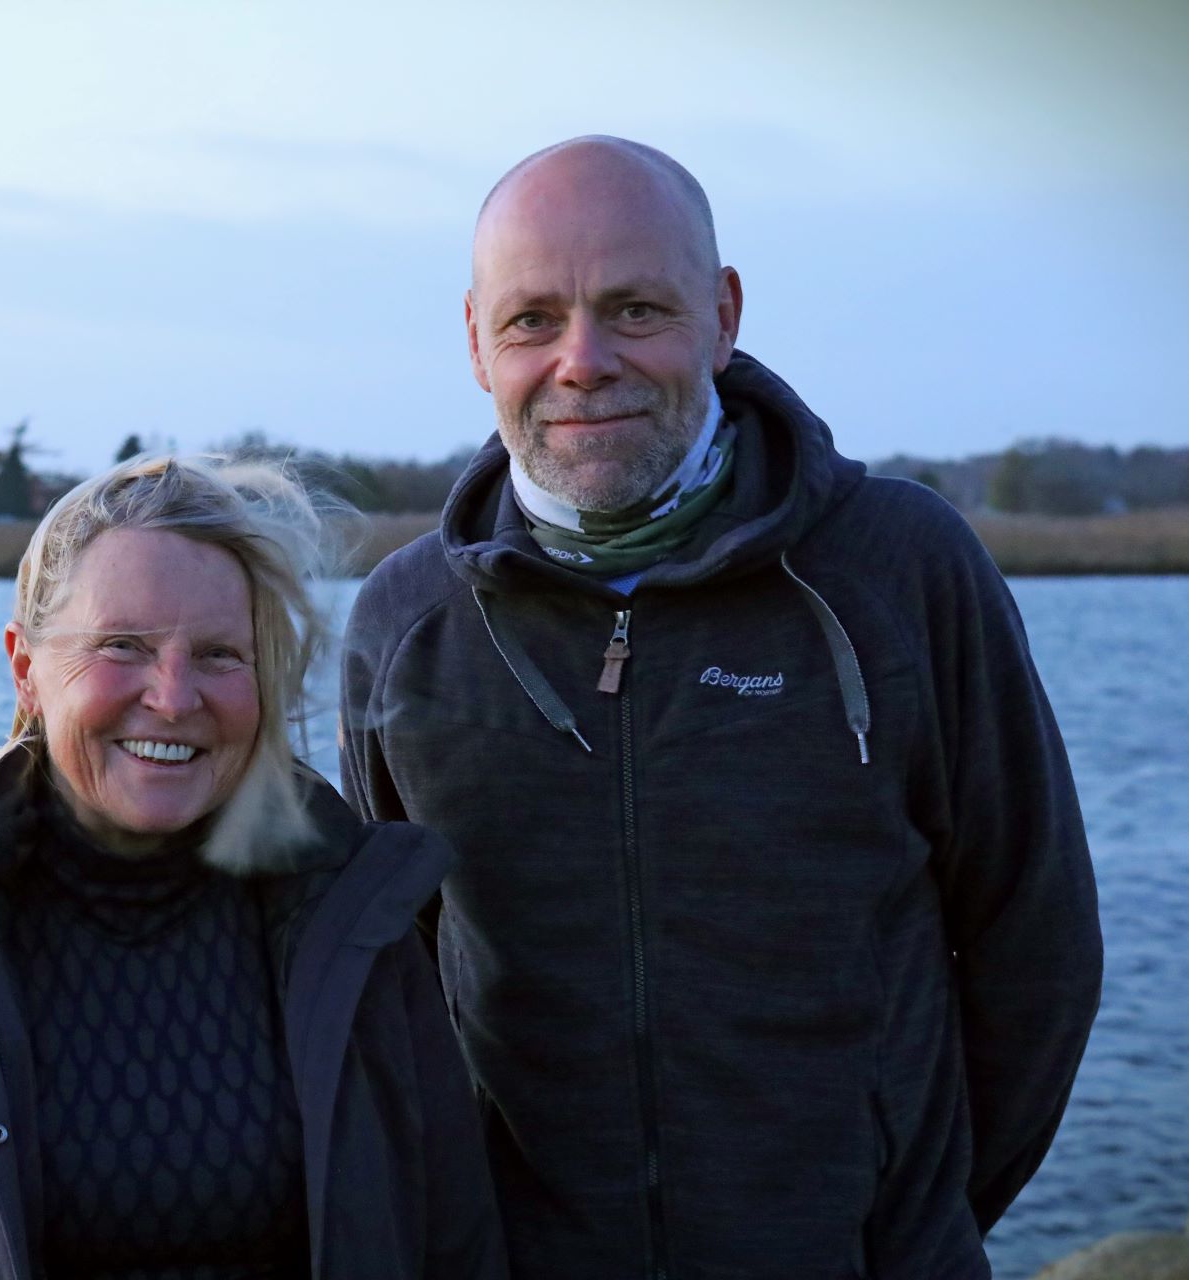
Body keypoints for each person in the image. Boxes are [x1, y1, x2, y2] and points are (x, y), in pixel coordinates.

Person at [340, 136, 1102, 1279]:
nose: (583, 359)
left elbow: (1033, 942)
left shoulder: (899, 569)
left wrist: (911, 1224)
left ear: (724, 311)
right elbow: (388, 992)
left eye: (636, 308)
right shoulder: (406, 624)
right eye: (533, 319)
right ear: (474, 343)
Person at [0, 455, 505, 1279]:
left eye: (219, 655)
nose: (173, 698)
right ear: (25, 669)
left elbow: (455, 1248)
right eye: (122, 646)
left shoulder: (360, 939)